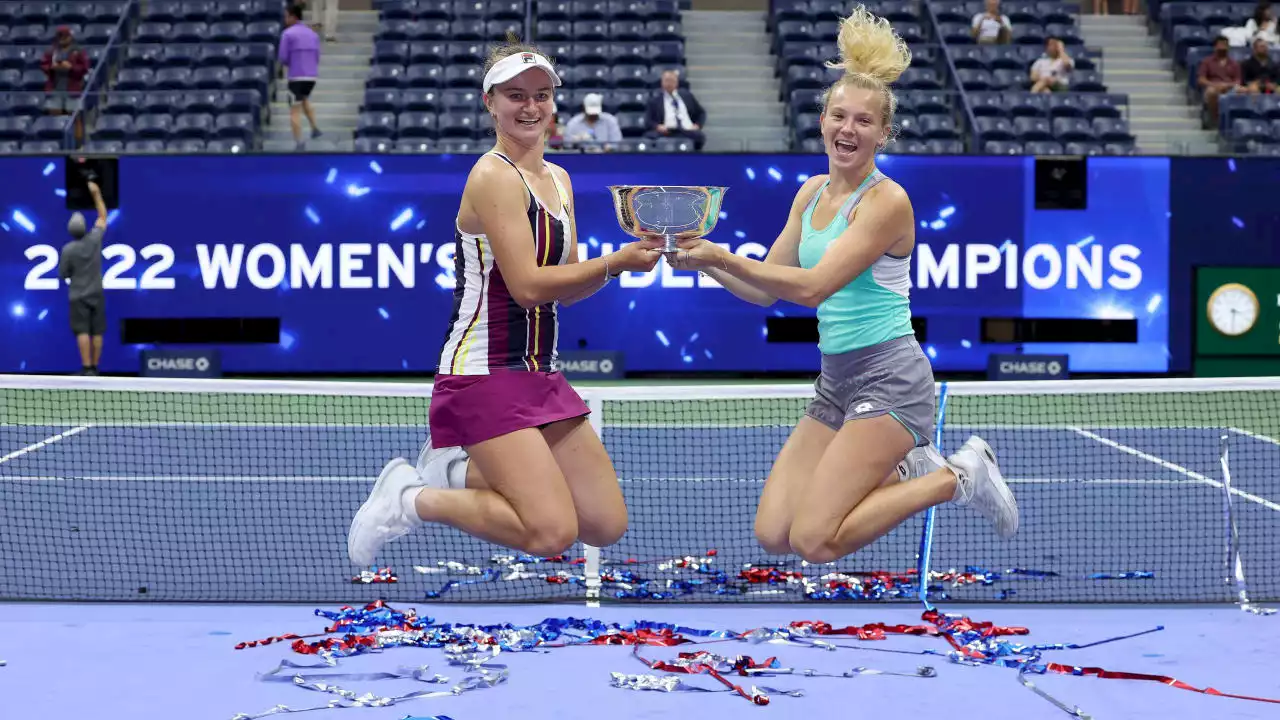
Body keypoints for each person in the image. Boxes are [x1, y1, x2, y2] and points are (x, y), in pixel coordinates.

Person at [667, 5, 1019, 564]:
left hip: (891, 380)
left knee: (814, 540)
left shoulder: (886, 201)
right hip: (836, 382)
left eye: (862, 120)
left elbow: (811, 288)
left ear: (883, 132)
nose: (846, 129)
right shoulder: (809, 193)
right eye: (838, 116)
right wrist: (700, 262)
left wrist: (724, 253)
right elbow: (764, 293)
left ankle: (956, 475)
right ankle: (907, 465)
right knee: (774, 532)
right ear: (822, 120)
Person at [347, 39, 664, 567]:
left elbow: (567, 283)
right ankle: (412, 499)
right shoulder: (492, 174)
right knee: (549, 532)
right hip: (482, 371)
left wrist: (635, 260)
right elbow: (528, 287)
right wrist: (616, 263)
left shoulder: (559, 179)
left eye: (541, 95)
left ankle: (451, 470)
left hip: (541, 372)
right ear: (489, 101)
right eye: (515, 95)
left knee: (605, 523)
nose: (530, 107)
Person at [57, 179, 108, 376]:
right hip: (97, 292)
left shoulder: (68, 250)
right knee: (97, 331)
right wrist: (96, 194)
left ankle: (86, 368)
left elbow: (63, 274)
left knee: (83, 331)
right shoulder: (95, 239)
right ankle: (95, 367)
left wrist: (71, 273)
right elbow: (103, 216)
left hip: (78, 295)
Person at [279, 4, 323, 150]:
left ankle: (299, 142)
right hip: (311, 77)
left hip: (296, 76)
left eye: (286, 16)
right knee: (303, 98)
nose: (285, 19)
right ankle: (315, 128)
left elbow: (283, 57)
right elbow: (317, 57)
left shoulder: (287, 34)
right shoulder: (313, 34)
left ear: (293, 17)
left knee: (294, 110)